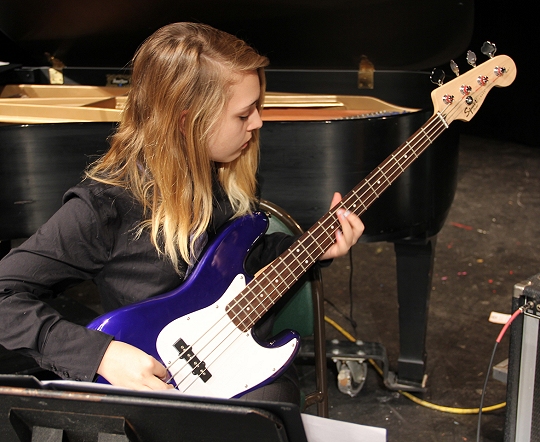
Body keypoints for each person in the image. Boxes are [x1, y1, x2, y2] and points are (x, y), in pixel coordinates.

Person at [0, 22, 363, 404]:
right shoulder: (103, 208)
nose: (258, 121)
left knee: (275, 405)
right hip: (154, 394)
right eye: (243, 115)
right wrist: (101, 355)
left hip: (233, 365)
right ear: (187, 121)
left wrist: (311, 248)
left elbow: (241, 256)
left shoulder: (224, 173)